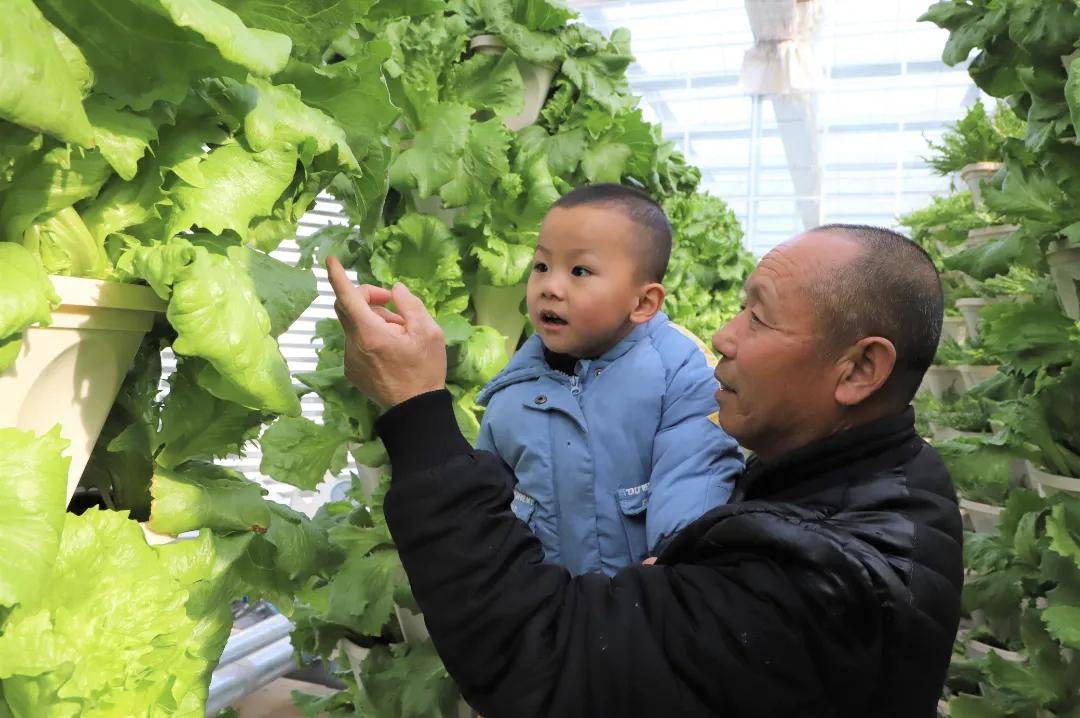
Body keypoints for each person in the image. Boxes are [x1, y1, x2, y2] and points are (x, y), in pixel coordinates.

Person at [326, 223, 964, 718]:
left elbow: (544, 655)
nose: (722, 335)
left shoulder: (828, 588)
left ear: (858, 370)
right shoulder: (891, 475)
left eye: (759, 317)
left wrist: (415, 408)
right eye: (542, 265)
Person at [476, 184, 743, 577]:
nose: (550, 286)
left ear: (642, 303)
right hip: (548, 611)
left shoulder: (678, 373)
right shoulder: (511, 393)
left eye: (579, 271)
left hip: (644, 609)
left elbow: (696, 472)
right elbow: (487, 507)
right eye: (541, 266)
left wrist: (674, 557)